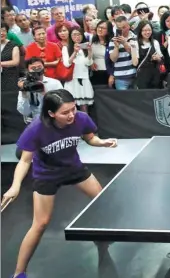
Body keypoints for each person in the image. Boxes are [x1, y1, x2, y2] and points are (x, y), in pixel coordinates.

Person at [2, 89, 118, 278]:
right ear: (51, 113)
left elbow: (90, 138)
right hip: (46, 175)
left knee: (101, 200)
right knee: (40, 224)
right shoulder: (36, 128)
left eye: (73, 109)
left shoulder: (80, 118)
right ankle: (19, 273)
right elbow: (24, 161)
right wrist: (15, 186)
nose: (71, 114)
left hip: (74, 169)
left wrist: (102, 142)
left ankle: (100, 238)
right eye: (65, 112)